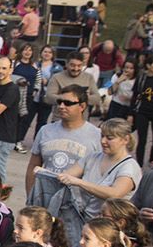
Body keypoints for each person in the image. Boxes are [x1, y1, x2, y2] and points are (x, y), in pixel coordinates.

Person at [25, 83, 100, 211]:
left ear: (82, 106)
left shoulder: (96, 135)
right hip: (44, 199)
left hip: (75, 205)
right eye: (59, 102)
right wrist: (31, 196)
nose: (61, 106)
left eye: (68, 103)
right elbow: (33, 165)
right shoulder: (45, 131)